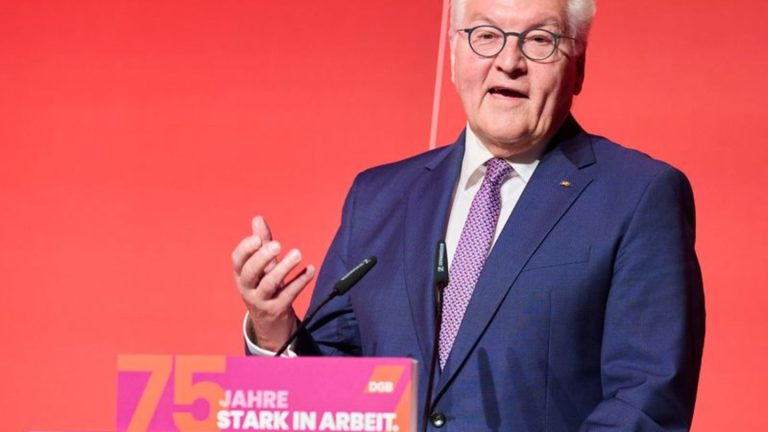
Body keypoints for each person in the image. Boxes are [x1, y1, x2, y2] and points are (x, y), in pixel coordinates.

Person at [231, 0, 706, 429]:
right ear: (455, 56)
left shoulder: (638, 195)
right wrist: (273, 331)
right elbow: (335, 387)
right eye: (486, 35)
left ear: (578, 67)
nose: (509, 61)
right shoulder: (377, 198)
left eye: (540, 40)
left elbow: (646, 402)